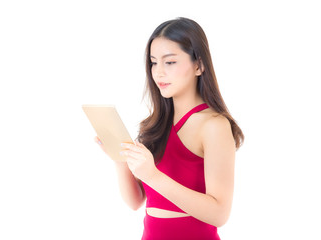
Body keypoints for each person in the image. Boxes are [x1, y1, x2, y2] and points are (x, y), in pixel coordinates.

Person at [95, 17, 244, 240]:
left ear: (199, 64)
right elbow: (136, 202)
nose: (158, 72)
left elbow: (220, 213)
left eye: (170, 62)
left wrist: (153, 176)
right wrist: (120, 160)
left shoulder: (214, 125)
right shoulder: (156, 125)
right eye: (154, 62)